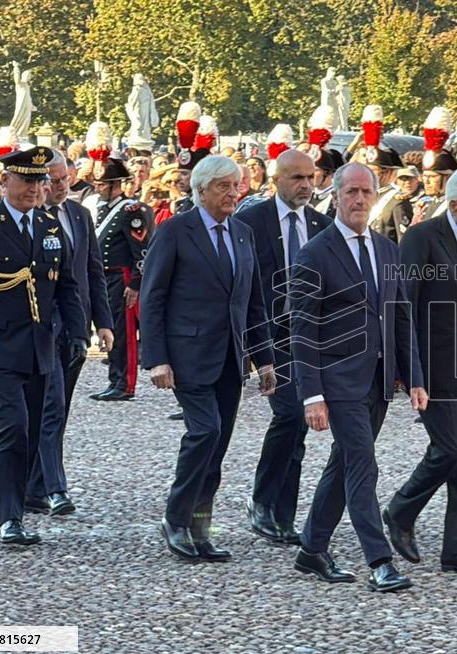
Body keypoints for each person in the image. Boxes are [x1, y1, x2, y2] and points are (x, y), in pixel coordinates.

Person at [289, 162, 427, 593]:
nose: (359, 199)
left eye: (367, 192)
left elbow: (400, 316)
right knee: (363, 465)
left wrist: (414, 376)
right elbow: (302, 329)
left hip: (379, 381)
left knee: (345, 462)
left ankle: (312, 548)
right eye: (351, 191)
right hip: (338, 381)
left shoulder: (386, 249)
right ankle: (379, 560)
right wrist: (312, 394)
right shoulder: (314, 253)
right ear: (335, 196)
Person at [140, 155, 277, 561]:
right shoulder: (175, 231)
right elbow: (152, 298)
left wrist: (264, 358)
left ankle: (200, 528)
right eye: (223, 186)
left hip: (231, 358)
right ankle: (175, 518)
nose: (233, 193)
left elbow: (253, 301)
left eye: (236, 185)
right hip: (188, 355)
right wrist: (156, 358)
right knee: (205, 432)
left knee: (217, 446)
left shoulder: (242, 233)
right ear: (201, 190)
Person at [0, 146, 88, 545]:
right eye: (26, 180)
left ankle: (24, 499)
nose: (34, 188)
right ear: (5, 181)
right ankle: (7, 519)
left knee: (31, 429)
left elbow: (66, 287)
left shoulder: (48, 226)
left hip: (41, 347)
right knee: (12, 425)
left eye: (39, 181)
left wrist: (78, 333)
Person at [382, 168, 457, 575]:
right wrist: (408, 369)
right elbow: (403, 307)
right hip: (434, 366)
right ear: (454, 206)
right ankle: (401, 509)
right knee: (451, 447)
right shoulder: (422, 238)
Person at [234, 149, 332, 545]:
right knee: (290, 415)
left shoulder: (322, 225)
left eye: (310, 177)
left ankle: (282, 514)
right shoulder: (251, 222)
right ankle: (263, 500)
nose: (306, 185)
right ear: (276, 180)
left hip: (308, 338)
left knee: (299, 425)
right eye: (297, 178)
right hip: (268, 335)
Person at [26, 152, 114, 516]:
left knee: (58, 410)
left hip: (77, 326)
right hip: (43, 326)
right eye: (52, 180)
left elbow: (93, 271)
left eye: (64, 178)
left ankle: (33, 486)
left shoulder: (79, 214)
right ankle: (55, 488)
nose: (60, 186)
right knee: (52, 405)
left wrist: (104, 322)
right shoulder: (30, 219)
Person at [84, 157, 152, 401]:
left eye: (103, 184)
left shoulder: (131, 211)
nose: (98, 188)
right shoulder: (103, 209)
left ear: (116, 184)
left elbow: (141, 251)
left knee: (125, 333)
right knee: (110, 329)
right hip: (105, 277)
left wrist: (135, 283)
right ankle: (114, 379)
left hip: (122, 278)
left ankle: (125, 383)